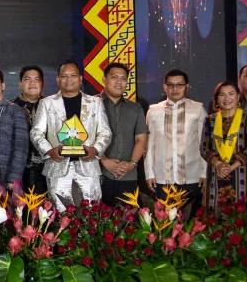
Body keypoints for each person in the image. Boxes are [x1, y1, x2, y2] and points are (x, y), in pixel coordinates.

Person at [30, 61, 112, 210]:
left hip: (88, 169)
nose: (69, 79)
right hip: (58, 168)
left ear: (80, 79)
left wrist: (95, 149)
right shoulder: (46, 103)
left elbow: (105, 132)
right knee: (61, 214)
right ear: (58, 80)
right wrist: (50, 151)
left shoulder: (95, 103)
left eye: (73, 75)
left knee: (90, 215)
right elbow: (36, 133)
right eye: (64, 76)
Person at [143, 69, 207, 215]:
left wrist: (204, 172)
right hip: (162, 177)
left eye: (180, 85)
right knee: (164, 221)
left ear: (187, 87)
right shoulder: (153, 111)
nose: (175, 89)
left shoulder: (197, 109)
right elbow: (149, 145)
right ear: (165, 87)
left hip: (191, 175)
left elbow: (203, 143)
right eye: (171, 85)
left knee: (190, 219)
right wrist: (149, 173)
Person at [201, 81, 247, 211]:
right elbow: (204, 148)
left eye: (231, 94)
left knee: (241, 213)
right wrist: (218, 164)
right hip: (216, 172)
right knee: (215, 213)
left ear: (238, 97)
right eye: (222, 95)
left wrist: (231, 167)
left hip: (242, 172)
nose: (226, 98)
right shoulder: (210, 120)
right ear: (217, 99)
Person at [99, 63, 147, 206]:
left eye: (123, 78)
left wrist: (131, 164)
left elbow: (140, 139)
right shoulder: (91, 104)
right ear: (104, 79)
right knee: (97, 217)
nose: (119, 82)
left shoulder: (135, 108)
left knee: (127, 217)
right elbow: (85, 138)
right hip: (98, 174)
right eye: (114, 77)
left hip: (128, 175)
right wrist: (104, 160)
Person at [12, 65, 47, 194]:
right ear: (20, 84)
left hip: (47, 168)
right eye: (27, 79)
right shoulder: (10, 107)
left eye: (36, 79)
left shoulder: (52, 106)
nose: (32, 83)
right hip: (18, 169)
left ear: (42, 84)